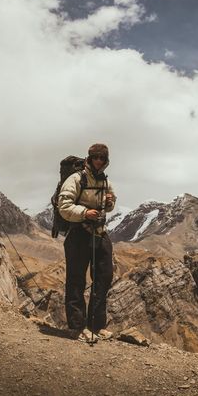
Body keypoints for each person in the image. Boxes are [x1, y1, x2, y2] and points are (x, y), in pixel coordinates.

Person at [58, 143, 116, 342]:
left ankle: (96, 325)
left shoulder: (105, 181)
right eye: (96, 157)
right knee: (76, 280)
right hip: (78, 234)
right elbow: (63, 206)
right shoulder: (76, 179)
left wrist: (109, 203)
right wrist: (84, 213)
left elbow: (110, 204)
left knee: (104, 277)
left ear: (106, 160)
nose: (99, 160)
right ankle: (77, 326)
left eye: (102, 157)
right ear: (89, 158)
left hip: (99, 233)